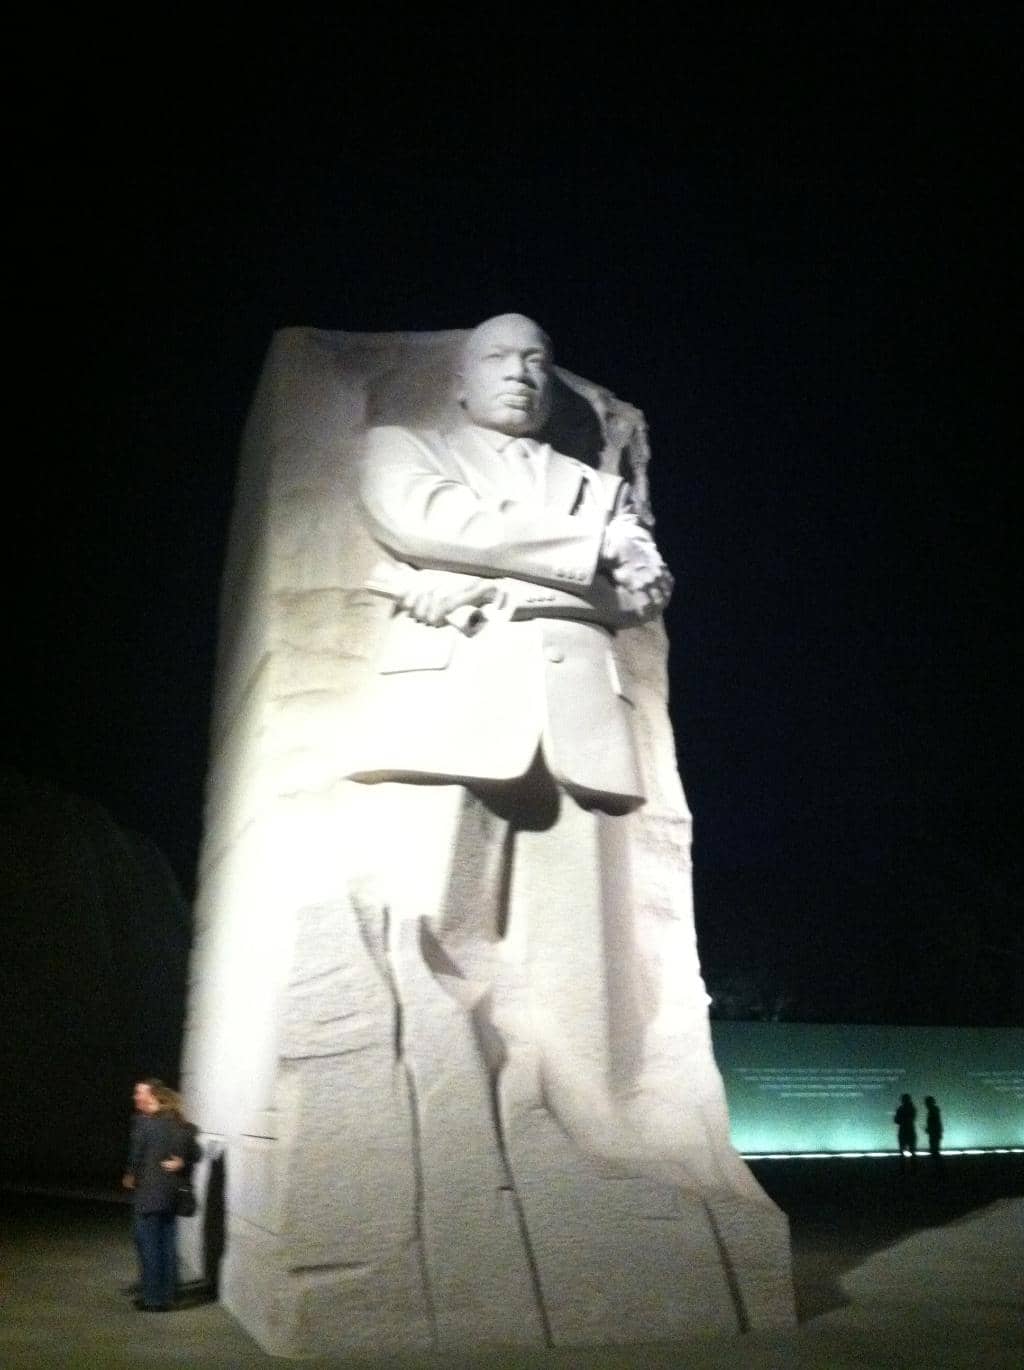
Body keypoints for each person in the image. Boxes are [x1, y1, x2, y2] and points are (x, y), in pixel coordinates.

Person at [346, 314, 672, 1118]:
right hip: (454, 699)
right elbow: (427, 519)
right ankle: (434, 1106)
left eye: (537, 360)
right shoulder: (403, 446)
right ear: (460, 380)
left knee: (581, 949)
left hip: (581, 721)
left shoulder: (599, 486)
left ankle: (588, 1114)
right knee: (430, 917)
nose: (521, 373)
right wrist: (587, 552)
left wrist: (478, 579)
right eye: (499, 357)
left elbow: (645, 591)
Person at [122, 1078, 201, 1311]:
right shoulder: (181, 1124)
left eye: (140, 1092)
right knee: (167, 1245)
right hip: (172, 1195)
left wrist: (130, 1175)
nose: (136, 1097)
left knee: (149, 1246)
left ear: (153, 1096)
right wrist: (183, 1161)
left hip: (150, 1194)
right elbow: (196, 1152)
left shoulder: (146, 1124)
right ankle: (169, 1295)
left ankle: (153, 1299)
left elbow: (137, 1156)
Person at [894, 1092, 918, 1165]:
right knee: (912, 1151)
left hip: (902, 1132)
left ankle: (903, 1170)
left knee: (902, 1152)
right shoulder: (913, 1108)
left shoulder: (900, 1109)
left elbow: (896, 1120)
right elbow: (912, 1118)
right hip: (910, 1131)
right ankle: (914, 1170)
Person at [924, 1095, 943, 1167]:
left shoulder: (932, 1111)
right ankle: (938, 1168)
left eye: (926, 1103)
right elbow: (937, 1123)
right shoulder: (934, 1110)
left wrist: (929, 1129)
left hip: (934, 1134)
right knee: (935, 1151)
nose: (925, 1104)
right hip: (935, 1133)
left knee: (934, 1151)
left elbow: (934, 1123)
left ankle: (939, 1168)